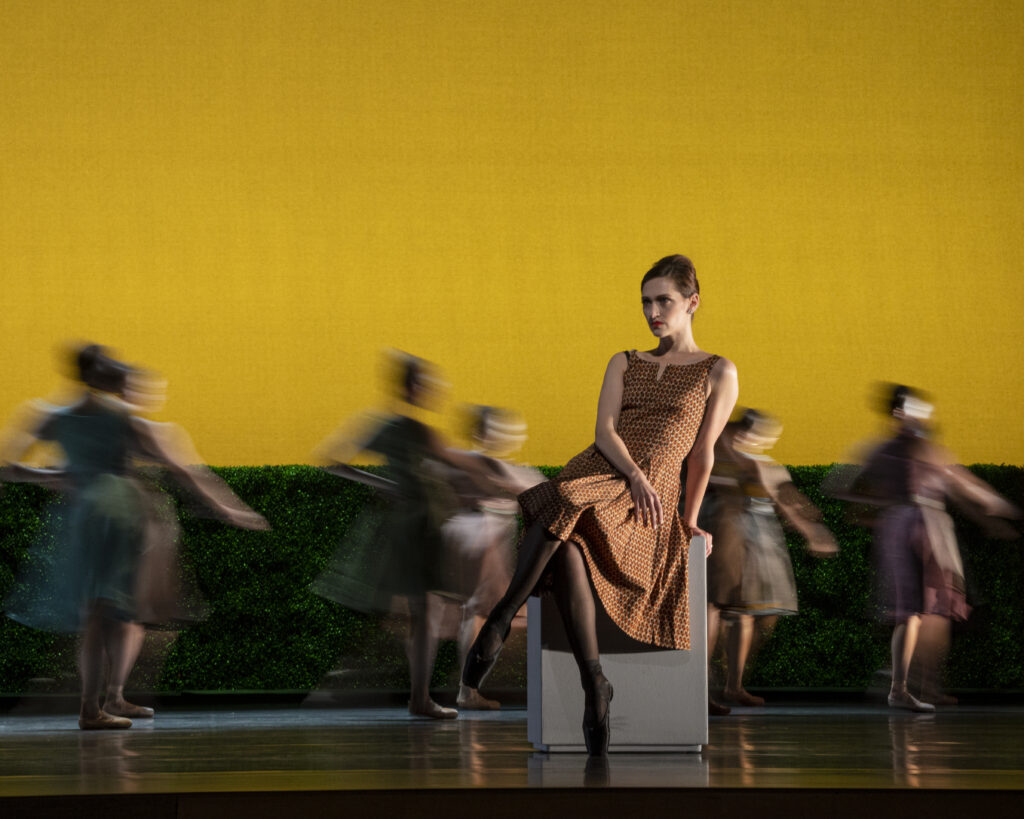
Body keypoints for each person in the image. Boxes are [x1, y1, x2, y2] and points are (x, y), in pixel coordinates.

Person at [461, 254, 738, 755]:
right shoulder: (625, 360)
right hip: (605, 472)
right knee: (568, 515)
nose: (653, 311)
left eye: (664, 301)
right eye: (646, 302)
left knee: (563, 515)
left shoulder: (718, 371)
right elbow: (604, 432)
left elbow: (702, 454)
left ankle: (505, 616)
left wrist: (689, 521)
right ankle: (594, 684)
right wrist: (631, 473)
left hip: (652, 500)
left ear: (692, 302)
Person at [1, 344, 268, 730]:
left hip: (82, 512)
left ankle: (97, 703)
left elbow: (11, 468)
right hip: (118, 512)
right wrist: (228, 508)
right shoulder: (122, 417)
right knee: (111, 612)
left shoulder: (50, 415)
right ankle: (94, 706)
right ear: (100, 375)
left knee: (96, 614)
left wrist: (67, 477)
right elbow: (182, 467)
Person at [313, 353, 510, 719]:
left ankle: (415, 696)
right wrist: (503, 488)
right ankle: (419, 698)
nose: (433, 391)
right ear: (413, 387)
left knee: (415, 612)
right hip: (424, 526)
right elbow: (459, 464)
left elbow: (331, 461)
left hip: (402, 524)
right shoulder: (420, 430)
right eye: (427, 384)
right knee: (424, 614)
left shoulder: (381, 426)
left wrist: (385, 484)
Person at [844, 384, 1019, 711]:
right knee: (913, 610)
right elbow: (958, 482)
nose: (919, 416)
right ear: (898, 412)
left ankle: (920, 683)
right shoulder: (890, 450)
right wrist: (882, 514)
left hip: (929, 529)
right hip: (910, 528)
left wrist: (990, 513)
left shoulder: (918, 448)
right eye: (911, 409)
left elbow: (954, 485)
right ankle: (904, 684)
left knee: (937, 608)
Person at [700, 409, 837, 715]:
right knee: (717, 608)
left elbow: (784, 500)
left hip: (736, 540)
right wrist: (810, 530)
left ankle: (728, 685)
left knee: (738, 611)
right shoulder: (727, 456)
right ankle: (709, 688)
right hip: (728, 537)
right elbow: (782, 503)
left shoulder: (733, 457)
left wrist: (808, 525)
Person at [439, 406, 545, 710]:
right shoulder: (482, 462)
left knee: (477, 613)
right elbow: (531, 487)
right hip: (484, 544)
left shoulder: (470, 461)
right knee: (484, 612)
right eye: (497, 430)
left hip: (476, 542)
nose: (504, 436)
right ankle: (468, 690)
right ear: (482, 433)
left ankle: (468, 688)